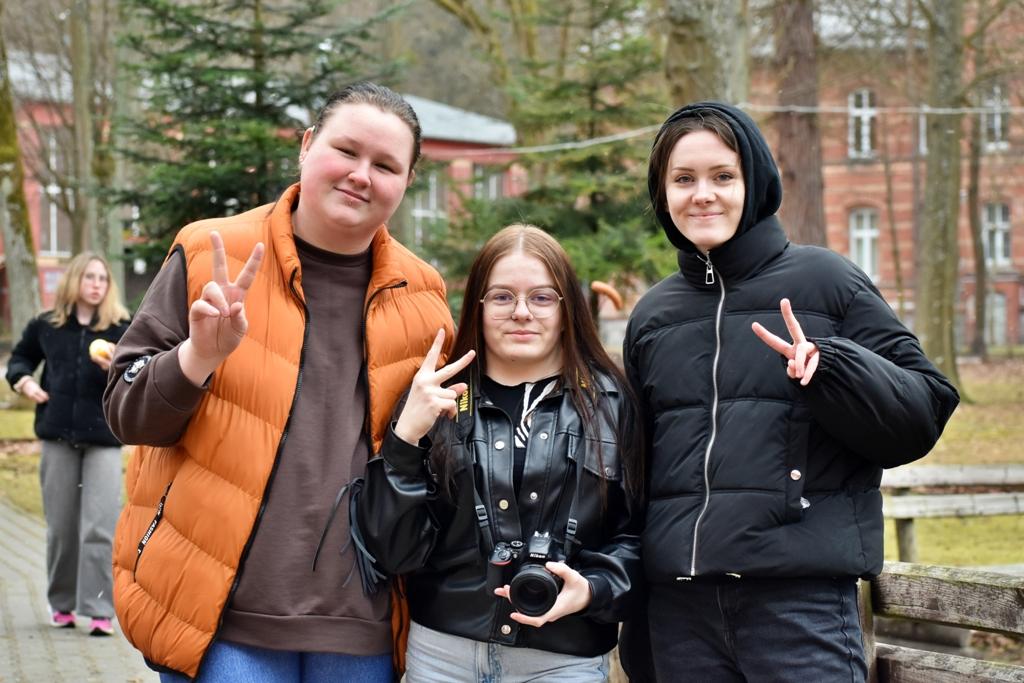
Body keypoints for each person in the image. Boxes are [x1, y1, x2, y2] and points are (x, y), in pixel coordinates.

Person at [103, 82, 454, 682]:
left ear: (407, 180)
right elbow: (126, 415)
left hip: (362, 620)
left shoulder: (424, 297)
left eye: (385, 165)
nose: (361, 175)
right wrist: (197, 357)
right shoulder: (210, 253)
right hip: (221, 619)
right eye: (346, 150)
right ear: (307, 145)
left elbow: (435, 459)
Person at [620, 102, 960, 681]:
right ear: (663, 193)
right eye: (683, 179)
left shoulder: (826, 281)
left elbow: (924, 410)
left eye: (723, 176)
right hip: (681, 616)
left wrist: (834, 368)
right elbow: (636, 471)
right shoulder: (654, 315)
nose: (703, 195)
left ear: (754, 183)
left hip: (799, 609)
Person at [358, 224, 644, 682]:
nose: (521, 312)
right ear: (479, 305)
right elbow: (393, 552)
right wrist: (405, 439)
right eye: (502, 296)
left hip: (562, 661)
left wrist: (594, 588)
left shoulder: (611, 404)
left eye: (542, 297)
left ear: (567, 309)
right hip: (443, 656)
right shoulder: (435, 398)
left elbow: (639, 535)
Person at [6, 252, 131, 637]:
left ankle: (99, 609)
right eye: (89, 277)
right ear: (75, 280)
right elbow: (20, 359)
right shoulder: (47, 325)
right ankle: (61, 603)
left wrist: (118, 367)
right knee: (61, 527)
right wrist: (25, 382)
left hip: (104, 438)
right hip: (57, 435)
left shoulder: (121, 328)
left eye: (102, 278)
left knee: (100, 527)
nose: (96, 284)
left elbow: (141, 370)